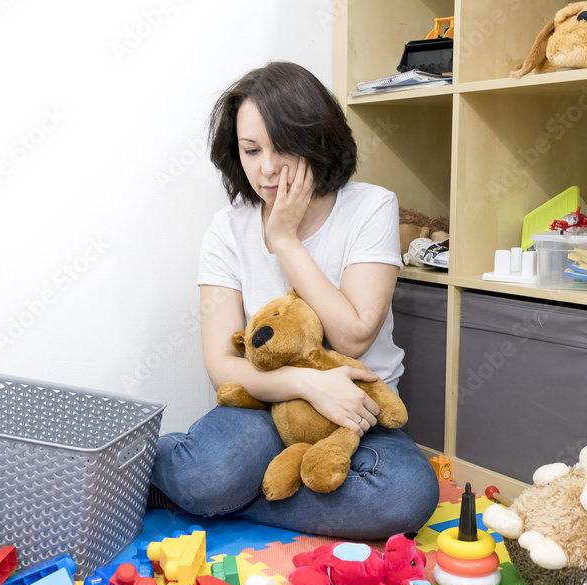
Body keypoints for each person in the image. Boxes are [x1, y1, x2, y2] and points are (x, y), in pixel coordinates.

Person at [149, 61, 440, 539]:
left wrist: (284, 239)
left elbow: (353, 335)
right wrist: (307, 384)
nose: (266, 168)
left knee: (406, 496)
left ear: (317, 140)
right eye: (250, 150)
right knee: (207, 475)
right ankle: (197, 485)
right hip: (262, 408)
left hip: (358, 414)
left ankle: (223, 504)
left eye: (283, 147)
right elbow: (222, 362)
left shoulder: (371, 206)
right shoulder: (229, 228)